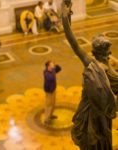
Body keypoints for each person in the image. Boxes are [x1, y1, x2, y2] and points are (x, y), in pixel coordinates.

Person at [62, 0, 117, 150]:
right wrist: (65, 17)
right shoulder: (95, 66)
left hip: (100, 117)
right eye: (106, 53)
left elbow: (73, 42)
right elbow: (73, 42)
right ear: (104, 53)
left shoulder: (96, 65)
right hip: (93, 118)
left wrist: (64, 17)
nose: (108, 56)